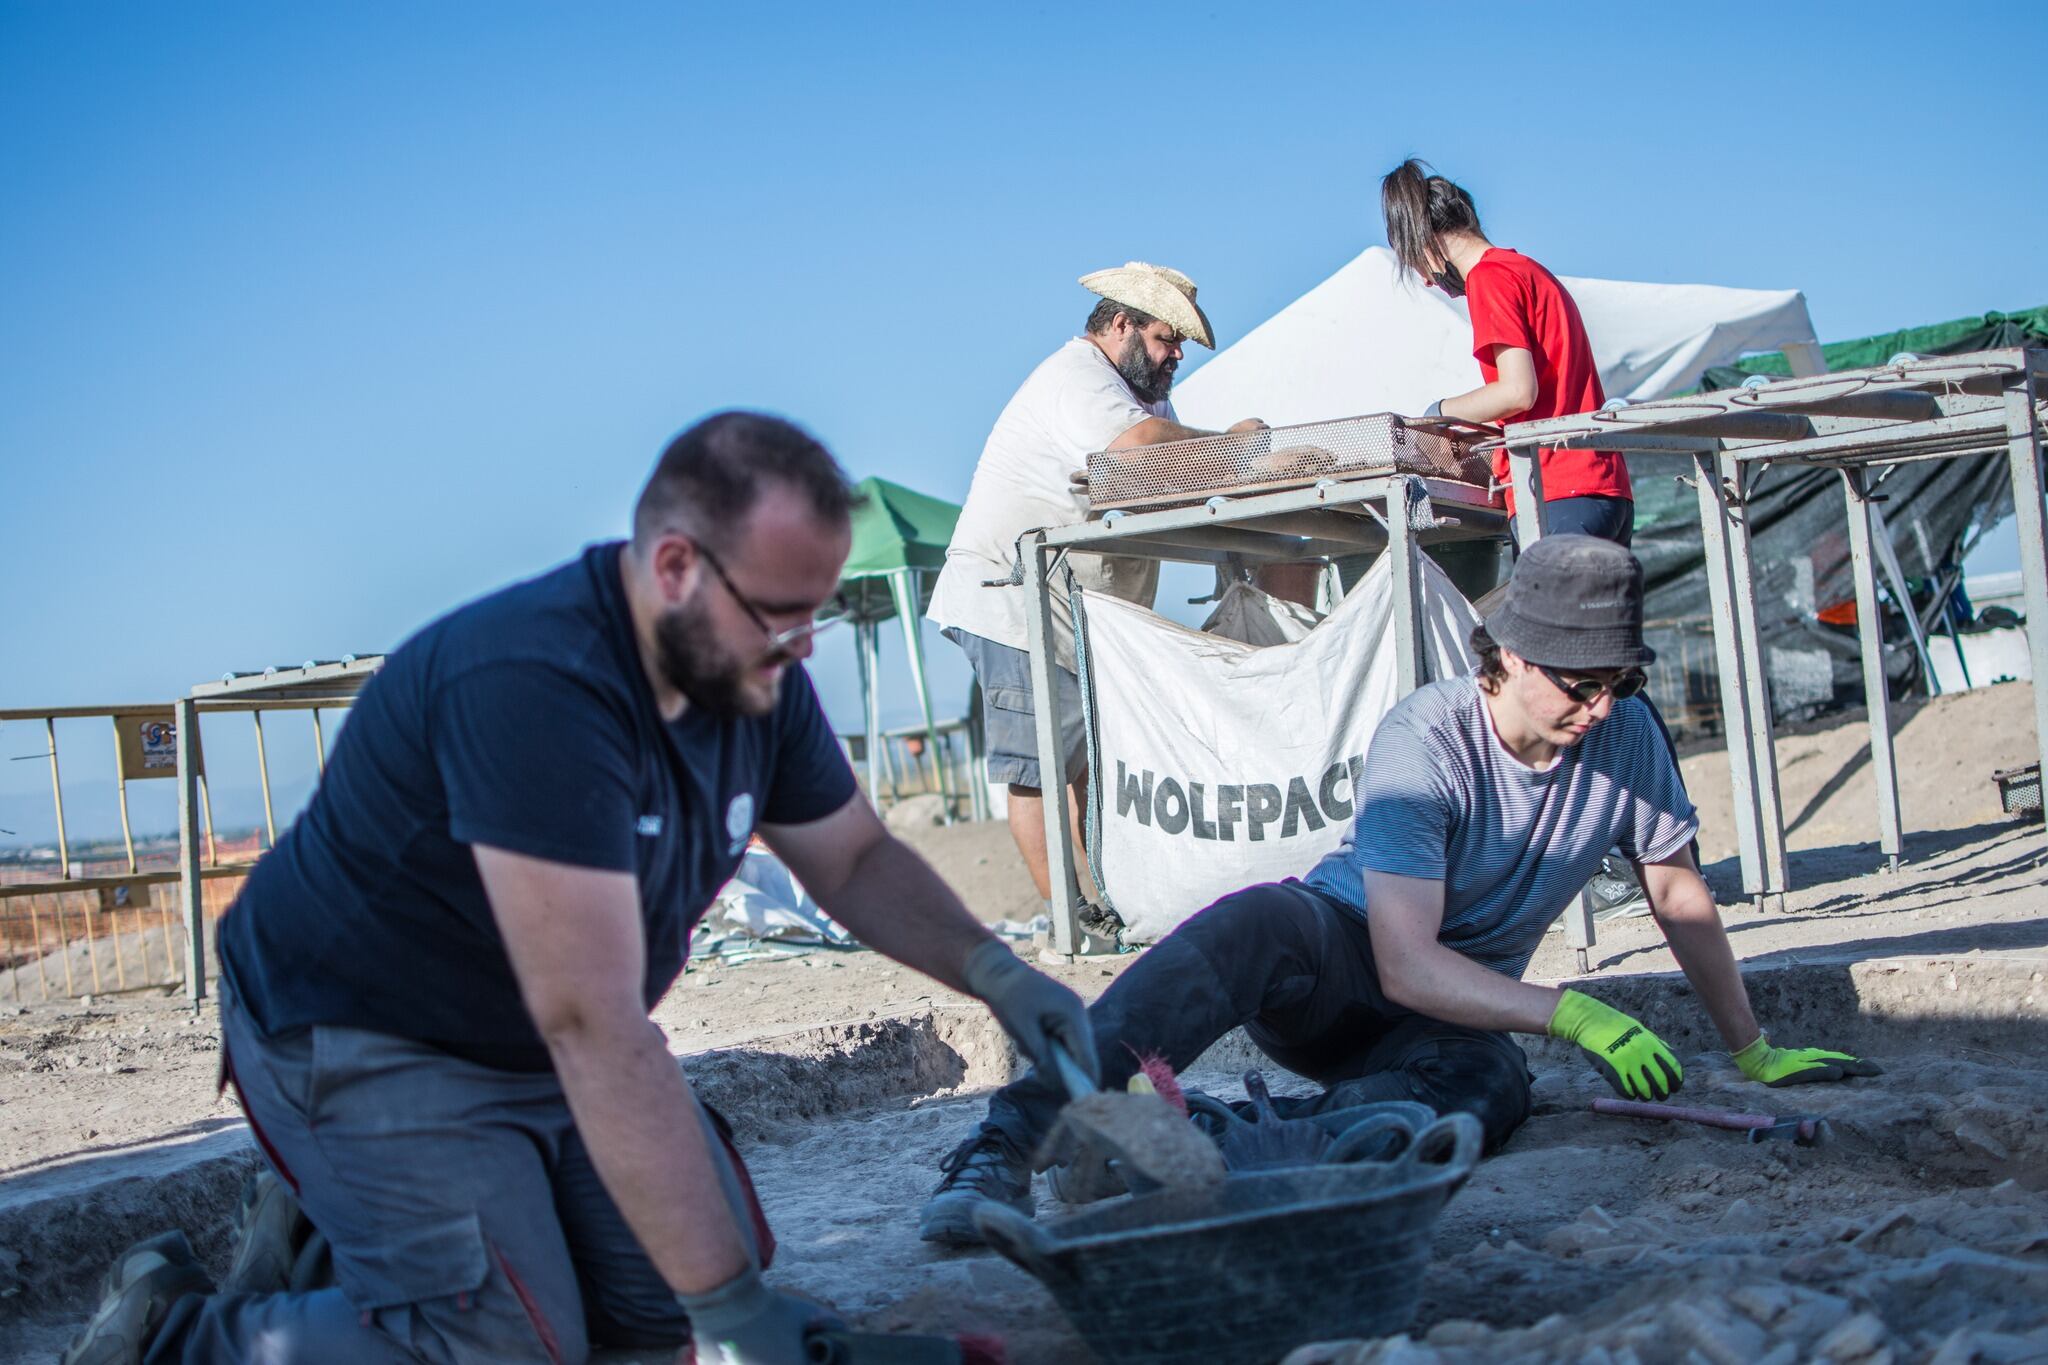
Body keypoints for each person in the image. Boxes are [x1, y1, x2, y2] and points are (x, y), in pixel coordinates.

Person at [65, 412, 1098, 1365]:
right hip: (364, 1034)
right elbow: (594, 1028)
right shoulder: (532, 686)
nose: (800, 649)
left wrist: (996, 973)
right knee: (512, 1338)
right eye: (780, 617)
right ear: (675, 565)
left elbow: (855, 859)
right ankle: (181, 1333)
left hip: (537, 1035)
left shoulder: (749, 675)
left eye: (811, 616)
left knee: (660, 1301)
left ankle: (342, 1253)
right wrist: (733, 1314)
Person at [918, 534, 1878, 1247]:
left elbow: (1678, 895)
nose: (1597, 708)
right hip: (1341, 961)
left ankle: (1230, 1145)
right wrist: (1573, 1012)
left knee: (1492, 1083)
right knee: (1258, 921)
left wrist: (1752, 1051)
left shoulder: (1627, 736)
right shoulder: (1427, 738)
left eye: (1615, 684)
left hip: (1445, 1012)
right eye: (1577, 684)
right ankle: (1008, 1142)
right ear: (1504, 656)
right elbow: (1403, 959)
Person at [925, 263, 1267, 913]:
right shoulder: (1079, 380)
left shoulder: (1145, 397)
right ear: (1121, 324)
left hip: (1063, 605)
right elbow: (1140, 454)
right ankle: (1069, 923)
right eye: (1169, 338)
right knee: (1041, 766)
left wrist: (1249, 467)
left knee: (1082, 758)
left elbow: (1174, 475)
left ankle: (1102, 904)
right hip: (1012, 599)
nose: (1176, 355)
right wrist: (1236, 448)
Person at [1382, 158, 1633, 546]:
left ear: (1426, 242)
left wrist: (1438, 414)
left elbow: (1517, 391)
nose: (1427, 281)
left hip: (1557, 490)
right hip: (1603, 489)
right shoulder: (1526, 270)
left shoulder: (1490, 277)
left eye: (1416, 264)